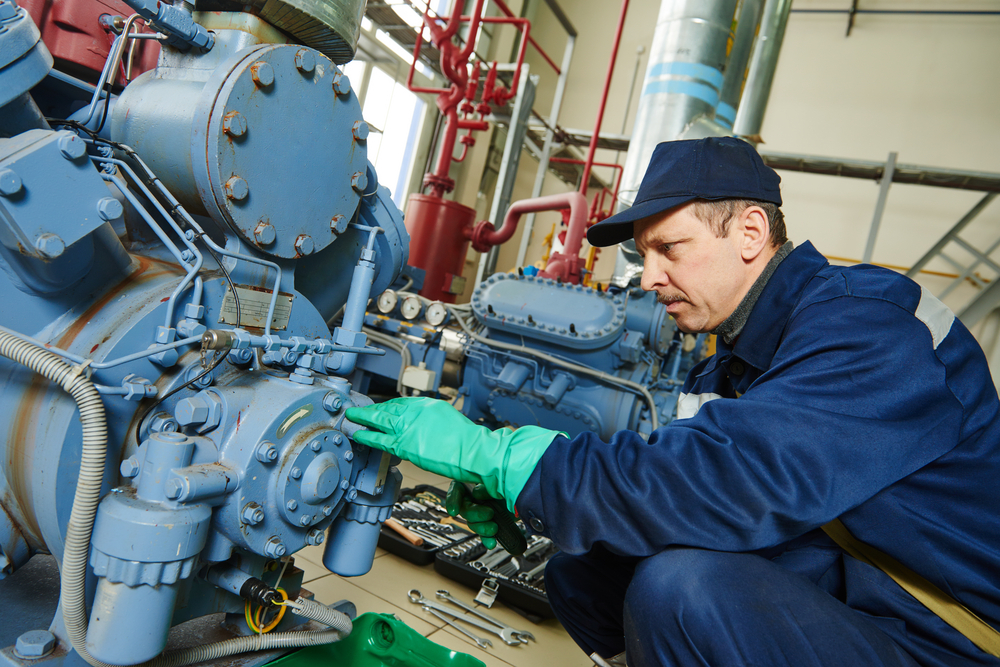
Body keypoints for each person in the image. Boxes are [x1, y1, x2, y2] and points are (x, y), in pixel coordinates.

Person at [346, 136, 1000, 667]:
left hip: (942, 632)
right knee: (584, 566)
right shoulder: (743, 355)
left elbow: (722, 479)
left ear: (749, 232)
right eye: (643, 253)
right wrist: (531, 498)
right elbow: (663, 465)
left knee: (683, 592)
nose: (649, 276)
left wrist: (506, 459)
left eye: (669, 248)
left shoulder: (867, 326)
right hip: (857, 584)